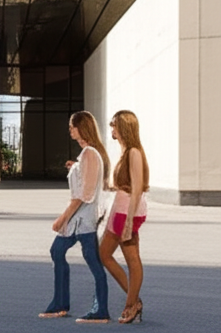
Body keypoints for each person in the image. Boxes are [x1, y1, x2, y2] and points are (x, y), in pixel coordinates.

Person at [40, 111, 111, 323]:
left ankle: (100, 310)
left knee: (92, 261)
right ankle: (60, 304)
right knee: (57, 250)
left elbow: (85, 194)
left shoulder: (90, 153)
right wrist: (76, 167)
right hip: (79, 219)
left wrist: (62, 218)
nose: (69, 129)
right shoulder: (88, 154)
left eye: (72, 126)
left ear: (82, 128)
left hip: (83, 218)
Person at [99, 110, 149, 324]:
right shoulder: (125, 151)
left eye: (114, 125)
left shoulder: (134, 152)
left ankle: (131, 305)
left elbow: (137, 188)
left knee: (132, 259)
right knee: (104, 254)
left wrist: (129, 222)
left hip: (128, 211)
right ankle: (134, 300)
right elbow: (125, 184)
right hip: (119, 208)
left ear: (124, 127)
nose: (112, 129)